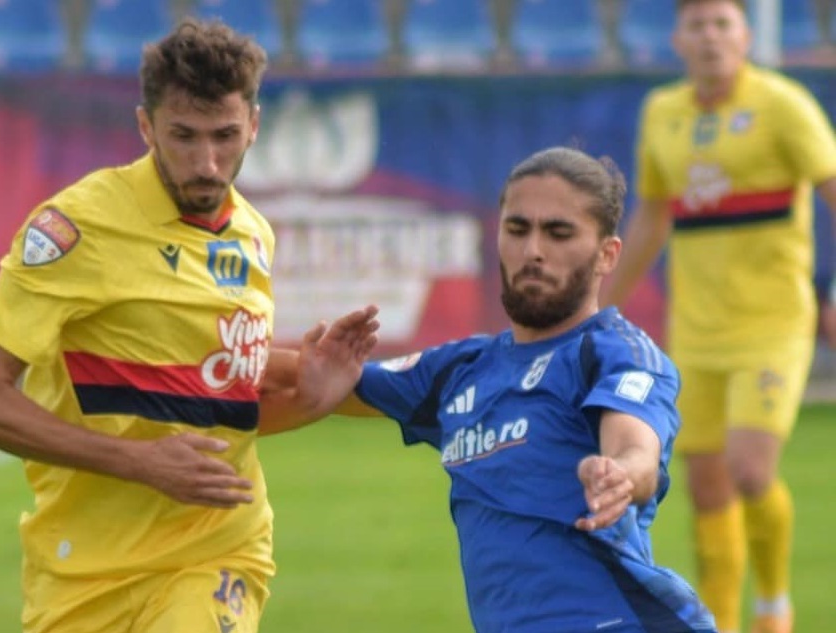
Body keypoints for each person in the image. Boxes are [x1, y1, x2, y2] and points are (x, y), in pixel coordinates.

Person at [0, 18, 379, 633]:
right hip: (82, 574)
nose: (207, 162)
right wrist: (139, 461)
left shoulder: (254, 234)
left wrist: (310, 394)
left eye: (225, 136)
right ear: (146, 126)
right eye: (183, 136)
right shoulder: (77, 229)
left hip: (216, 554)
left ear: (254, 125)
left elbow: (216, 405)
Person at [270, 147, 718, 633]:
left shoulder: (616, 353)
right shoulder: (461, 369)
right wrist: (218, 357)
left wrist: (621, 474)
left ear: (607, 254)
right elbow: (318, 378)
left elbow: (636, 446)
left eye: (559, 233)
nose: (533, 250)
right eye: (518, 229)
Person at [602, 2, 836, 632]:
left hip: (774, 323)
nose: (710, 37)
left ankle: (774, 605)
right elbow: (653, 217)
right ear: (678, 39)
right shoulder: (662, 111)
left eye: (723, 23)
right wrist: (598, 307)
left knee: (750, 471)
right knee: (706, 488)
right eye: (697, 25)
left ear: (746, 35)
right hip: (697, 331)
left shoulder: (783, 105)